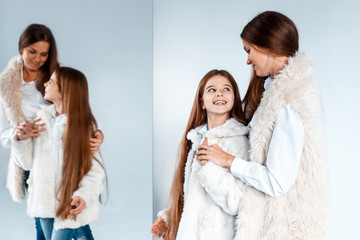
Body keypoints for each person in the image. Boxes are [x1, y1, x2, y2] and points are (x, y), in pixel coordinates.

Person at [196, 11, 328, 239]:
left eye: (249, 50)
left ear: (267, 46)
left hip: (281, 230)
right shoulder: (273, 93)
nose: (247, 60)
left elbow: (276, 182)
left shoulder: (290, 100)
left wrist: (227, 160)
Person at [0, 24, 103, 239]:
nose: (38, 59)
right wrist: (18, 136)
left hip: (69, 176)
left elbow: (78, 106)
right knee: (44, 226)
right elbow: (7, 137)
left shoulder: (59, 75)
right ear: (21, 49)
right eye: (32, 52)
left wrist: (95, 132)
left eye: (44, 54)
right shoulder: (6, 85)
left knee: (70, 223)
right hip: (37, 166)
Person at [151, 70, 250, 239]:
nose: (219, 92)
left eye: (226, 89)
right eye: (211, 89)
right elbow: (188, 189)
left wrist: (209, 168)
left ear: (234, 100)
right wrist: (168, 215)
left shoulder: (239, 142)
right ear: (202, 102)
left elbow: (237, 202)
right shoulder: (196, 138)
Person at [11, 67, 106, 240]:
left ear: (64, 91)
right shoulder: (40, 122)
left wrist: (83, 195)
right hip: (43, 202)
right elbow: (26, 163)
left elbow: (95, 172)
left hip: (69, 204)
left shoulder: (84, 128)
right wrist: (19, 139)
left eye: (51, 81)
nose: (45, 83)